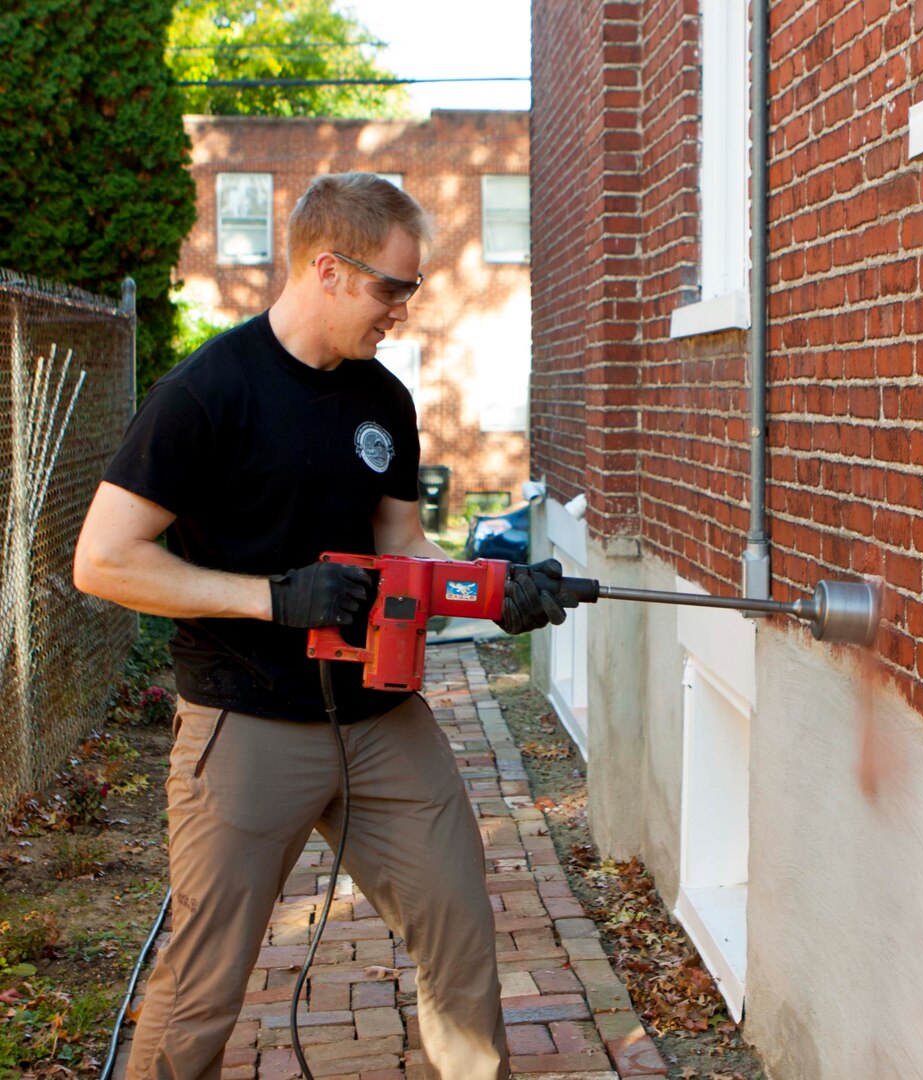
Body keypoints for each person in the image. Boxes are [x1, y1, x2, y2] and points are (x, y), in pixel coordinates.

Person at [74, 173, 568, 1080]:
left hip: (377, 716)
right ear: (329, 269)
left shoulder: (383, 400)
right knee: (203, 987)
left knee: (459, 924)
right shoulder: (206, 394)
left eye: (412, 291)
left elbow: (402, 543)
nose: (403, 311)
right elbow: (103, 558)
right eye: (394, 288)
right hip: (246, 721)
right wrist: (272, 598)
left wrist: (494, 589)